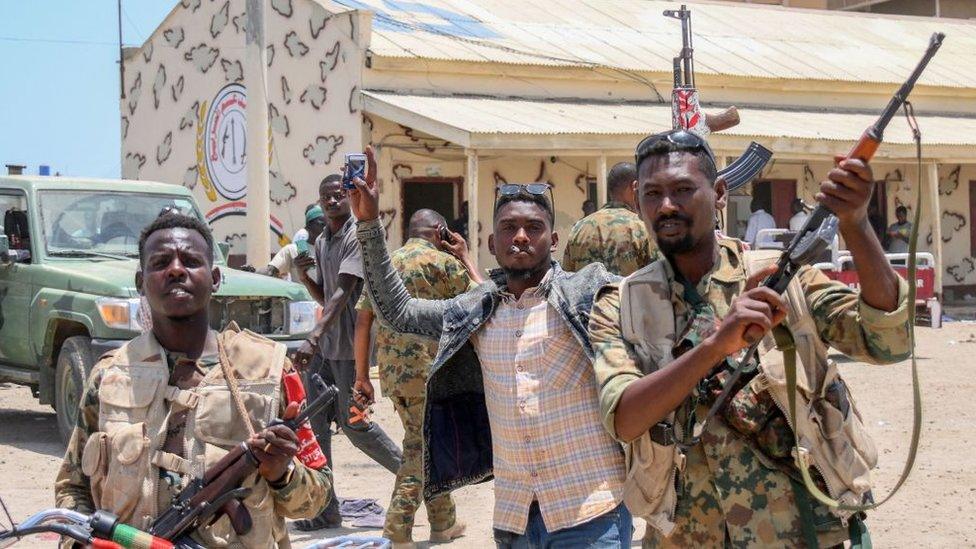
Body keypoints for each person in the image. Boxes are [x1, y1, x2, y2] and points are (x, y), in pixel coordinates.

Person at [588, 129, 912, 547]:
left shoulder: (785, 278)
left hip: (801, 532)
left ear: (719, 192)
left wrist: (856, 223)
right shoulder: (620, 304)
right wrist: (714, 345)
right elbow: (625, 418)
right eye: (652, 194)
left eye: (684, 189)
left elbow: (888, 340)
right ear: (636, 199)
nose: (667, 206)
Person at [350, 147, 633, 548]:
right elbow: (398, 311)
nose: (520, 236)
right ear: (491, 240)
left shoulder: (585, 292)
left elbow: (650, 303)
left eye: (533, 228)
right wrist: (368, 224)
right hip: (514, 518)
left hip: (590, 514)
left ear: (553, 240)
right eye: (509, 227)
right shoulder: (476, 310)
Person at [54, 214, 330, 547]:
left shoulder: (271, 371)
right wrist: (79, 543)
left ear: (215, 278)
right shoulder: (110, 375)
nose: (175, 269)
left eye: (190, 261)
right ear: (141, 281)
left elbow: (318, 497)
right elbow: (72, 488)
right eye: (160, 263)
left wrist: (281, 473)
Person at [352, 209, 483, 548]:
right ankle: (397, 530)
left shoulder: (386, 264)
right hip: (432, 372)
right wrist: (465, 257)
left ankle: (444, 522)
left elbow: (363, 321)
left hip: (394, 375)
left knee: (425, 442)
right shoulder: (445, 264)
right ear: (441, 232)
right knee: (418, 448)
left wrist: (362, 377)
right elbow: (484, 302)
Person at [292, 174, 403, 531]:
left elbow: (344, 291)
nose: (331, 201)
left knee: (355, 426)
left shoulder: (354, 235)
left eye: (338, 195)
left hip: (348, 347)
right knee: (316, 425)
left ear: (348, 197)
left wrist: (312, 336)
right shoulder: (324, 239)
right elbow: (326, 297)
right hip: (327, 345)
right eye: (326, 196)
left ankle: (416, 482)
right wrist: (304, 276)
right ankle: (325, 508)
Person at [563, 162, 656, 276]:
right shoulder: (643, 227)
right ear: (634, 187)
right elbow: (660, 279)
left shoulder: (579, 228)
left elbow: (567, 279)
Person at [253, 205, 325, 281]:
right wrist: (253, 273)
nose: (325, 228)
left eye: (328, 224)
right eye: (322, 224)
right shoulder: (294, 249)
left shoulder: (332, 249)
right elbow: (270, 271)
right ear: (308, 226)